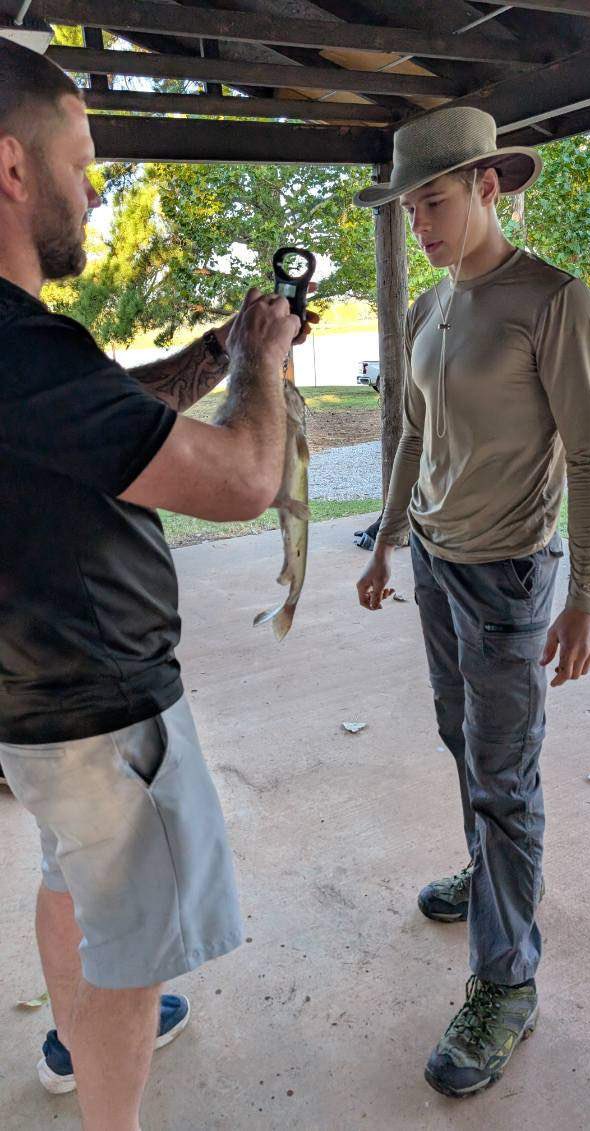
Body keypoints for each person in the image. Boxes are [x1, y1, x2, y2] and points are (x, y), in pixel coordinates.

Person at [0, 39, 314, 1131]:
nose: (95, 188)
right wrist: (264, 368)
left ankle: (72, 1039)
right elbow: (241, 479)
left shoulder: (27, 359)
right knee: (130, 942)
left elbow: (101, 413)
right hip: (104, 716)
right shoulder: (20, 350)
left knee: (72, 885)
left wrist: (217, 353)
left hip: (37, 714)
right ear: (11, 169)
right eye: (82, 162)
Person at [354, 106, 590, 1098]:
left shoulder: (552, 300)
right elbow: (413, 437)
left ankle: (507, 984)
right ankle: (498, 869)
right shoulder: (428, 309)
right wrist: (385, 539)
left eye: (435, 202)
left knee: (504, 775)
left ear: (488, 189)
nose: (420, 223)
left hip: (510, 575)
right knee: (464, 741)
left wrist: (587, 594)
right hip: (433, 561)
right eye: (410, 206)